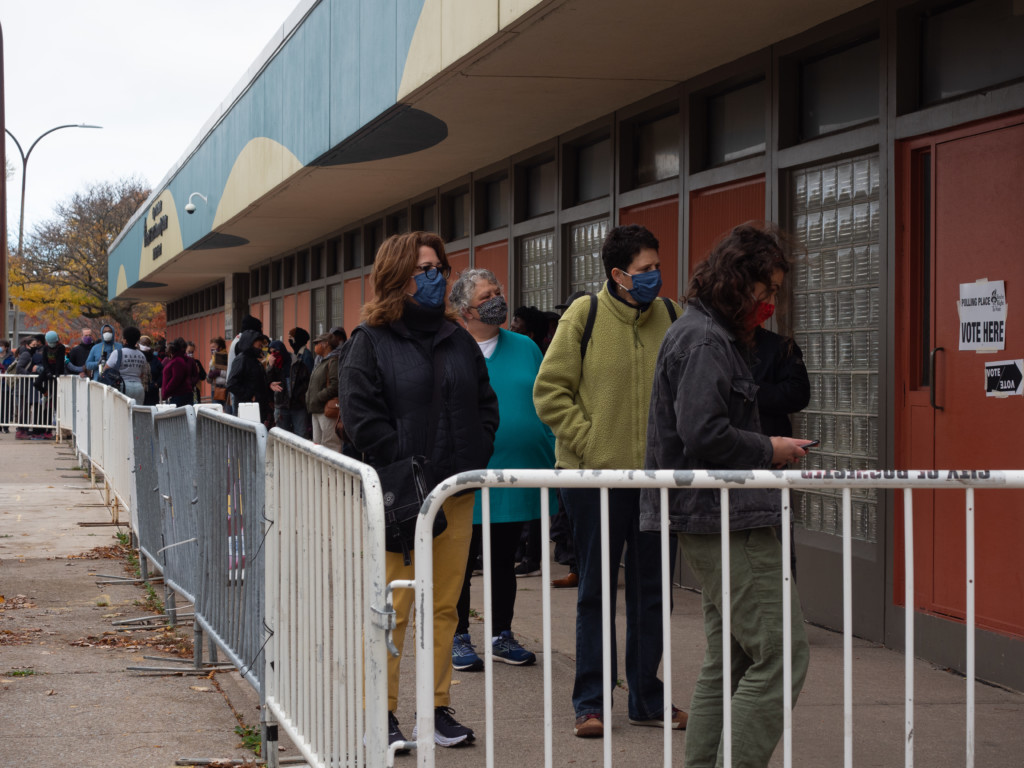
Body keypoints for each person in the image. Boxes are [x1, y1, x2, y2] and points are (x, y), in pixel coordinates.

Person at [640, 222, 813, 768]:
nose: (771, 304)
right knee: (781, 654)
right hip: (726, 519)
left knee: (732, 660)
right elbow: (705, 433)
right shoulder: (706, 340)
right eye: (769, 290)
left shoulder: (702, 334)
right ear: (742, 282)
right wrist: (770, 448)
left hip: (715, 517)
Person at [338, 231, 498, 750]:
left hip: (456, 493)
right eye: (422, 270)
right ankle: (381, 714)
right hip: (403, 499)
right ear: (396, 278)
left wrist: (472, 458)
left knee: (445, 607)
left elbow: (484, 406)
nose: (434, 278)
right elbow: (362, 420)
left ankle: (436, 708)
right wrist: (407, 472)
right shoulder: (370, 341)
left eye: (438, 268)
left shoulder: (458, 340)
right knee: (394, 608)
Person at [533, 223, 685, 739]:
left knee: (651, 593)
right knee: (596, 592)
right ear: (618, 274)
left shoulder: (669, 315)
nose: (655, 278)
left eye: (657, 267)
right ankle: (590, 703)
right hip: (591, 478)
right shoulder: (585, 314)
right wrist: (592, 445)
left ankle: (647, 697)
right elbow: (550, 391)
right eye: (644, 271)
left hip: (654, 481)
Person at [448, 269, 555, 672]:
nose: (497, 300)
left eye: (498, 292)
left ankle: (501, 634)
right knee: (460, 559)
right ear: (464, 310)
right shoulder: (451, 347)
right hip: (464, 476)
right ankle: (458, 634)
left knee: (502, 558)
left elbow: (545, 397)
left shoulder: (526, 346)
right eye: (487, 296)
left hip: (513, 475)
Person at [752, 324, 811, 578]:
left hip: (771, 466)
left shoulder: (780, 346)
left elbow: (798, 394)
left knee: (779, 554)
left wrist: (749, 391)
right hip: (723, 467)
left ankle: (786, 613)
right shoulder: (712, 344)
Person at [226, 329, 273, 426]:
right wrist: (250, 396)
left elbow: (256, 381)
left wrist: (269, 386)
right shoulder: (242, 359)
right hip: (247, 410)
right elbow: (231, 383)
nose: (260, 348)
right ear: (250, 343)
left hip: (258, 409)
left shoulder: (255, 360)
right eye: (258, 346)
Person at [306, 332, 341, 452]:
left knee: (330, 445)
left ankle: (332, 470)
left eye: (317, 343)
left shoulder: (333, 361)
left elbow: (335, 385)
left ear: (326, 344)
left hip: (326, 409)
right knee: (318, 445)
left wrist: (318, 397)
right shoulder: (321, 361)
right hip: (316, 409)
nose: (315, 346)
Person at [276, 327, 312, 437]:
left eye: (291, 338)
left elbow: (307, 379)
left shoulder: (306, 355)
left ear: (297, 339)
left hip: (299, 402)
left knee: (300, 433)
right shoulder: (294, 355)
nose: (289, 341)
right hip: (291, 402)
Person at [105, 327, 149, 403]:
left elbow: (106, 369)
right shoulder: (142, 355)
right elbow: (142, 374)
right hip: (139, 387)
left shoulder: (117, 353)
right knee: (137, 412)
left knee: (122, 412)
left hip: (123, 386)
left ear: (125, 340)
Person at [161, 338, 195, 407]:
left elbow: (176, 379)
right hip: (178, 395)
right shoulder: (178, 360)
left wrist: (166, 391)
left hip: (178, 396)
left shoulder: (178, 361)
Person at [138, 335, 163, 405]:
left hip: (152, 393)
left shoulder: (155, 359)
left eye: (147, 344)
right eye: (143, 344)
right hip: (138, 390)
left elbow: (162, 373)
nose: (145, 346)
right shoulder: (136, 356)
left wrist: (156, 384)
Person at [207, 337, 230, 412]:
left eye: (214, 347)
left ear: (220, 347)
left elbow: (229, 374)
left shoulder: (227, 358)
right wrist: (210, 376)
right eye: (211, 348)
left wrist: (219, 372)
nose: (212, 350)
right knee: (216, 411)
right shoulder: (212, 360)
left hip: (225, 388)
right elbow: (209, 378)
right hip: (215, 388)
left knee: (227, 411)